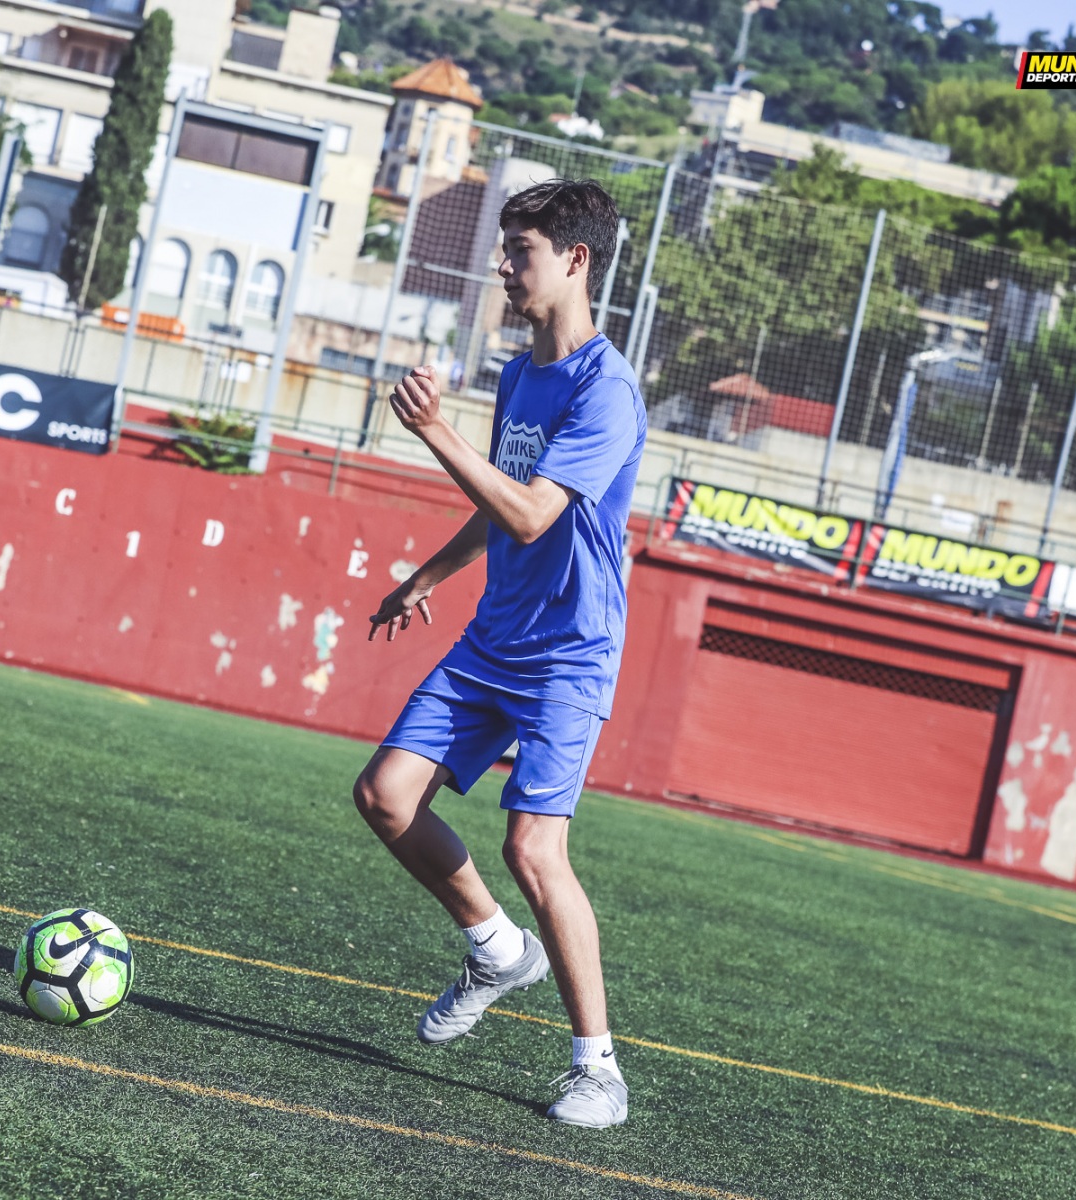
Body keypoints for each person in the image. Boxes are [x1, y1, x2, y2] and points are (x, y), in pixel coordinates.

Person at [353, 179, 647, 1128]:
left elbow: (530, 513)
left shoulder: (607, 391)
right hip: (493, 639)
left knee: (533, 849)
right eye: (507, 249)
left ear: (576, 259)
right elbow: (500, 503)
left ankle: (599, 1070)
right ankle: (496, 950)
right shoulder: (521, 375)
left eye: (521, 250)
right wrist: (427, 576)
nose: (504, 266)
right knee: (385, 796)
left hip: (568, 653)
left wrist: (433, 429)